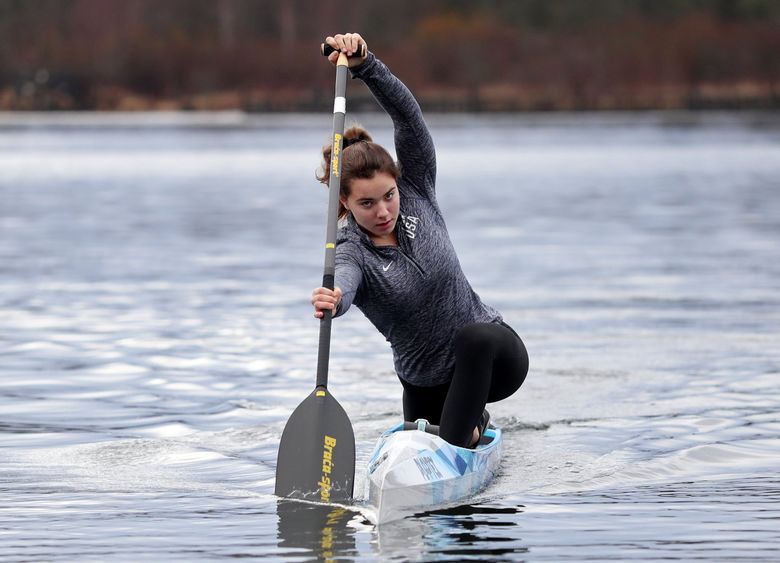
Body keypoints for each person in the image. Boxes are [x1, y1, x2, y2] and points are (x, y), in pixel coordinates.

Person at [312, 33, 529, 448]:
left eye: (388, 196)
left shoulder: (417, 188)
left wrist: (366, 66)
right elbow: (344, 283)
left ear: (399, 184)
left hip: (495, 357)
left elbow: (407, 117)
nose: (383, 211)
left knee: (474, 337)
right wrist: (333, 299)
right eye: (367, 202)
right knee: (428, 450)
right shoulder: (351, 251)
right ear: (343, 201)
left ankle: (460, 435)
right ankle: (467, 421)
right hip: (424, 385)